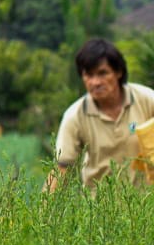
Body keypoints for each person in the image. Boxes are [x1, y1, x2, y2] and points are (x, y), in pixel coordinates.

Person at [50, 37, 154, 190]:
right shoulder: (75, 116)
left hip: (145, 207)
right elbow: (63, 168)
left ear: (118, 72)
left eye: (102, 73)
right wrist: (44, 212)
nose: (95, 82)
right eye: (89, 75)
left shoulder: (146, 99)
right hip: (100, 209)